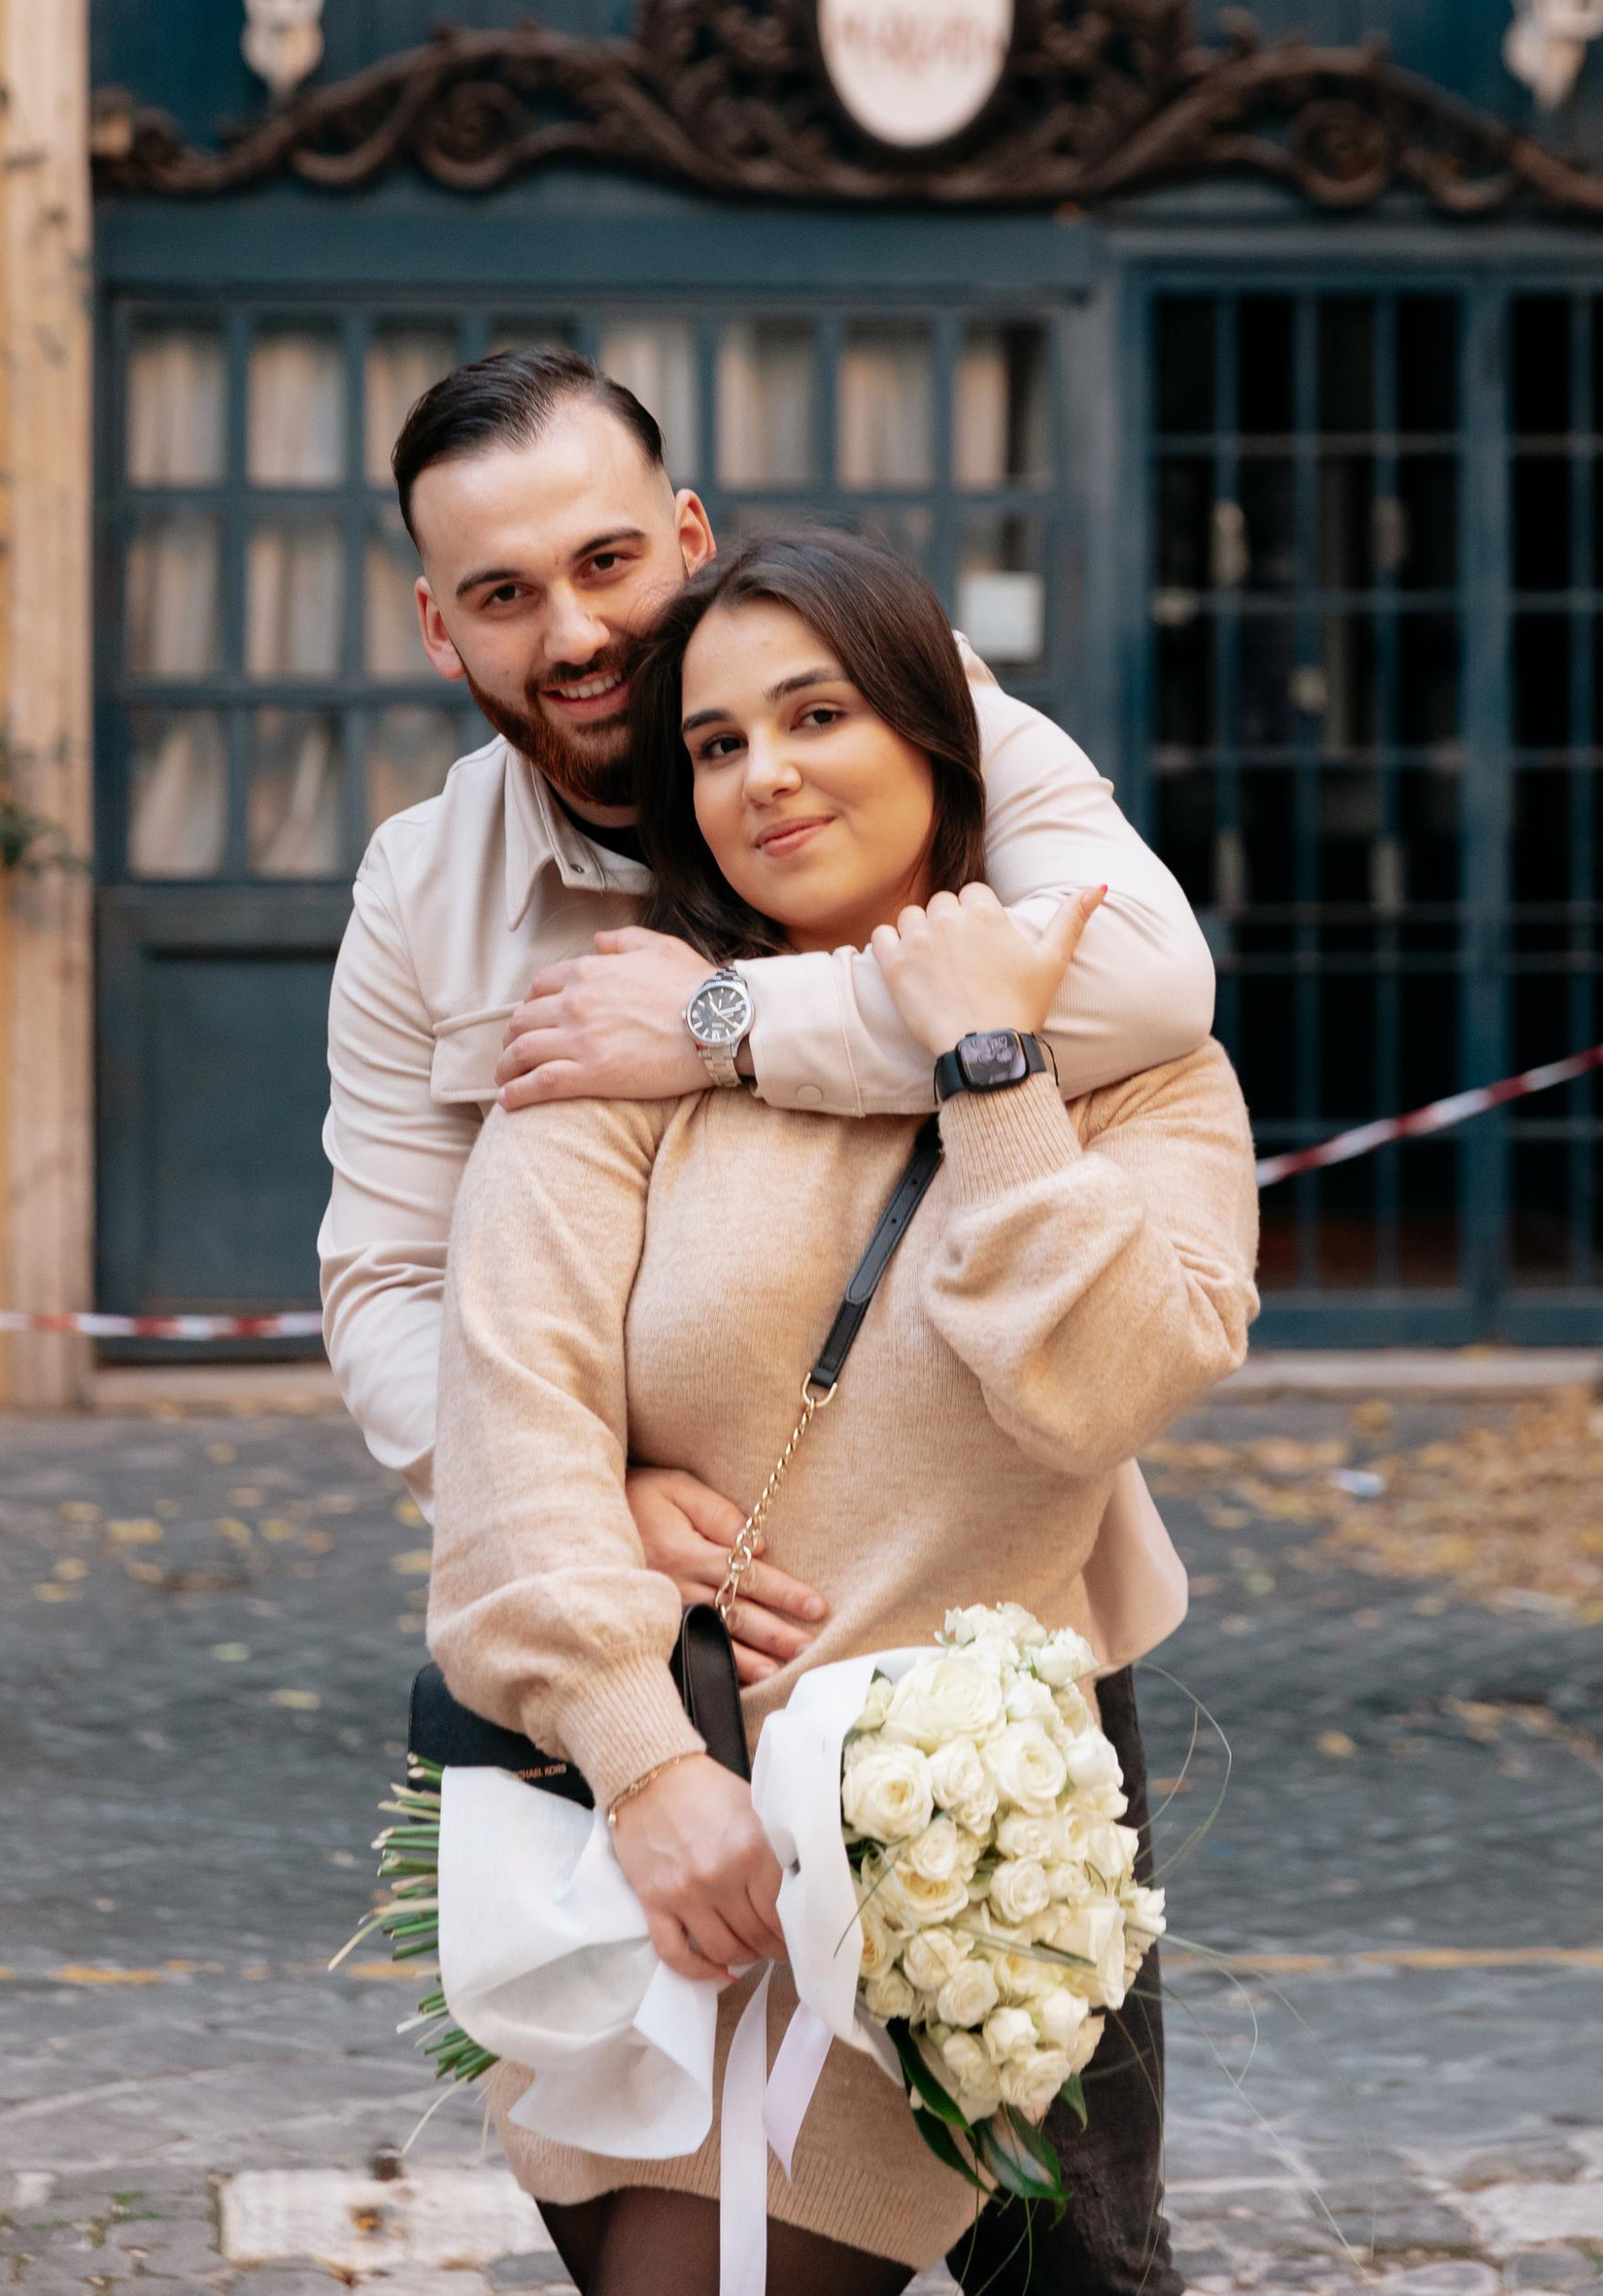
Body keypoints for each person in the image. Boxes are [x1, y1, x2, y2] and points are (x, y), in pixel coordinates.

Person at [319, 342, 1221, 2295]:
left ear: (686, 535)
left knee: (1077, 2248)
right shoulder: (427, 892)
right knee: (669, 2214)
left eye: (606, 561)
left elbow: (1137, 990)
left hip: (982, 1648)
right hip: (624, 1647)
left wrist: (728, 1019)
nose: (573, 632)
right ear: (435, 625)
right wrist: (601, 1501)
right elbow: (398, 1287)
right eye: (501, 595)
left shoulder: (908, 710)